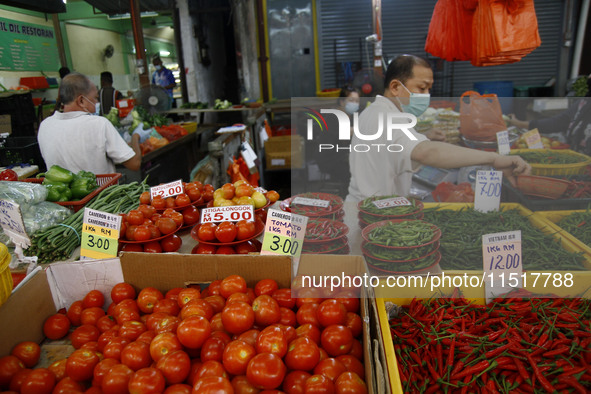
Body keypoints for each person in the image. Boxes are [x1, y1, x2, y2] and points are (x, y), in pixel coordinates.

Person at [346, 54, 531, 202]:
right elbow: (427, 153)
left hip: (368, 208)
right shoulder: (386, 117)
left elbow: (392, 148)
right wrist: (493, 158)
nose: (427, 95)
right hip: (370, 217)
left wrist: (424, 136)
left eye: (429, 89)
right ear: (395, 87)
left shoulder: (376, 112)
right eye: (421, 88)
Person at [38, 72, 149, 174]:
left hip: (64, 195)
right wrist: (136, 136)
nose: (97, 103)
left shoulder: (45, 126)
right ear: (81, 100)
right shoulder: (99, 124)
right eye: (95, 98)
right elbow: (134, 164)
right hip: (102, 194)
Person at [508, 75, 591, 155]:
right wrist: (519, 123)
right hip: (578, 160)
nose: (589, 77)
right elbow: (557, 122)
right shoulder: (583, 104)